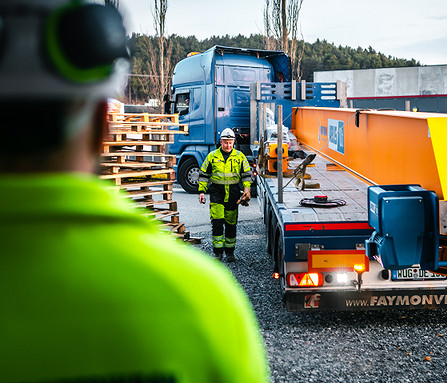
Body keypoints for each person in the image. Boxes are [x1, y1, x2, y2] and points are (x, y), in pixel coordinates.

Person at [0, 1, 269, 382]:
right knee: (221, 231)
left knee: (229, 229)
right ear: (102, 124)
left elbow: (241, 173)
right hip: (215, 219)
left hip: (229, 203)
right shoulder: (204, 303)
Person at [198, 128, 252, 262]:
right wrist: (201, 191)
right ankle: (217, 253)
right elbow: (204, 175)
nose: (228, 145)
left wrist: (247, 190)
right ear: (220, 142)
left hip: (233, 193)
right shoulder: (212, 156)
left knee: (231, 224)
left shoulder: (240, 157)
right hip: (217, 193)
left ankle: (229, 252)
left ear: (234, 142)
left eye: (230, 142)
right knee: (217, 222)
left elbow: (246, 175)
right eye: (225, 142)